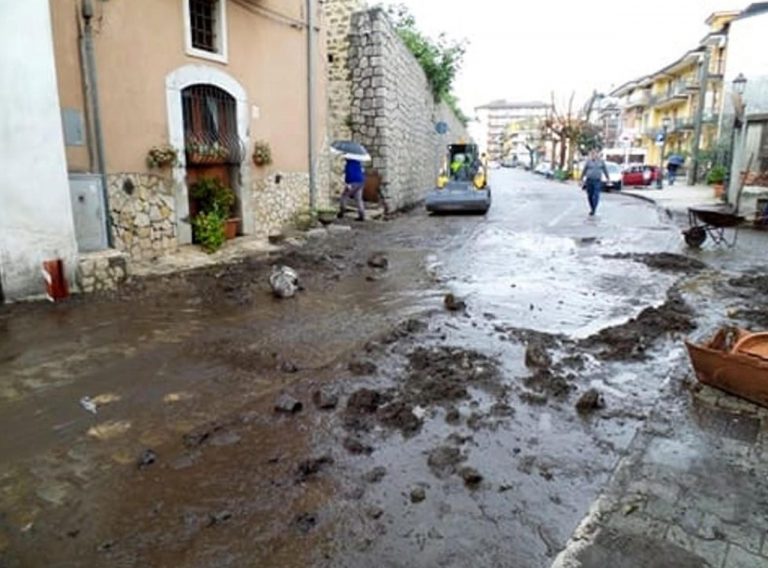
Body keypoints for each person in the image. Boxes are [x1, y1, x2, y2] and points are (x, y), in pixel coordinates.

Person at [580, 150, 610, 216]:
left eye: (595, 154)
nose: (594, 156)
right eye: (592, 154)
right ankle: (592, 207)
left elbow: (605, 170)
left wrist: (608, 178)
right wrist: (581, 179)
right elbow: (584, 170)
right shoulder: (588, 162)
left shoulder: (601, 162)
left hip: (597, 181)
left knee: (596, 195)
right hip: (589, 180)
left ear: (597, 155)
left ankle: (594, 209)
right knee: (590, 195)